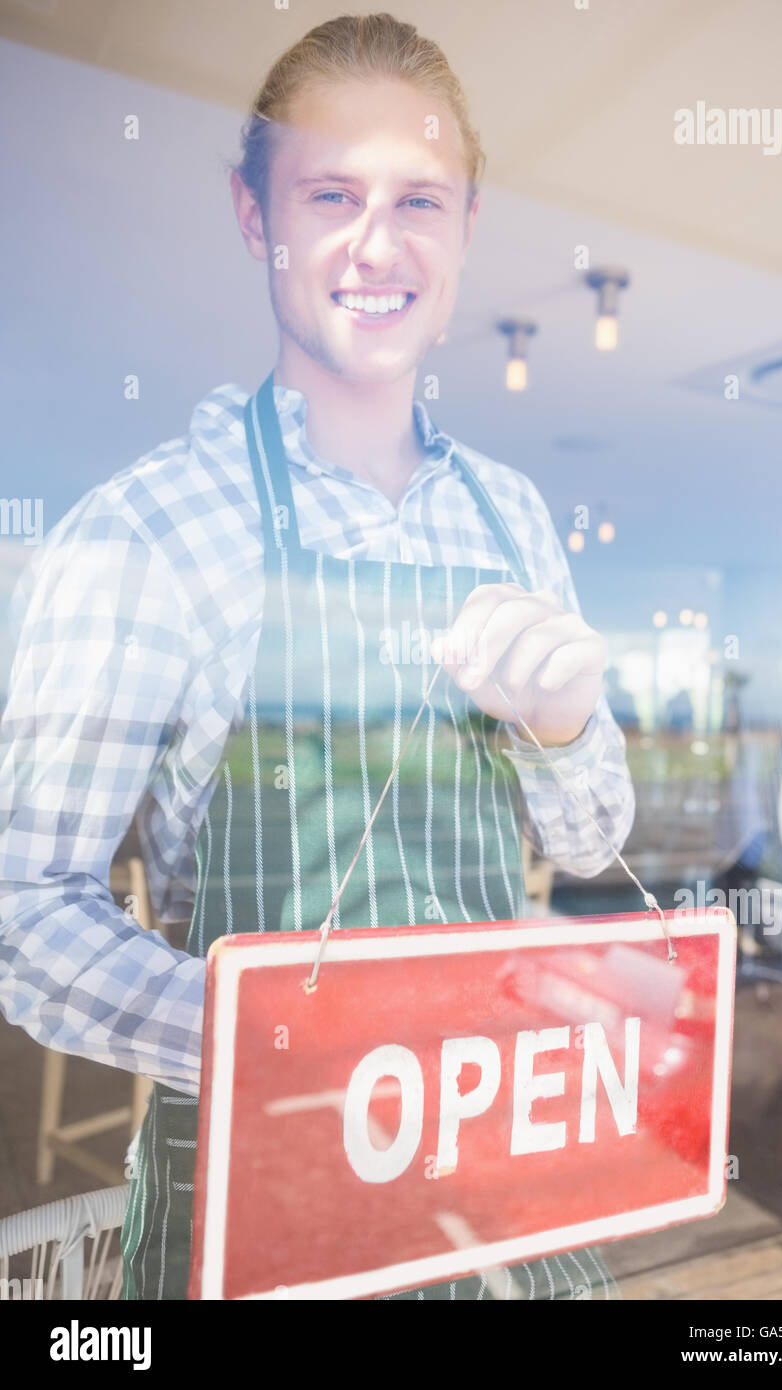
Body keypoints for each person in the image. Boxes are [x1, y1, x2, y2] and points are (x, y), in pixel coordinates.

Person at [0, 13, 635, 1300]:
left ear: (464, 226)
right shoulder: (146, 531)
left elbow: (585, 841)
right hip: (256, 1197)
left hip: (494, 1169)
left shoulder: (511, 516)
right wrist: (301, 1045)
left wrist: (565, 729)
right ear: (257, 218)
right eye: (330, 192)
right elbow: (25, 919)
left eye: (419, 199)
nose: (377, 240)